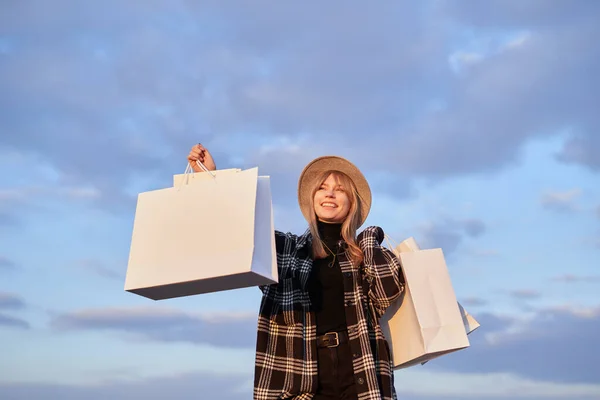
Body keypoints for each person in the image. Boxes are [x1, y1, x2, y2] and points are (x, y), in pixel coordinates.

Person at [187, 144, 405, 400]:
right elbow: (238, 233)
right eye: (322, 188)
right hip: (298, 378)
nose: (330, 194)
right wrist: (211, 179)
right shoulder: (287, 249)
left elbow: (387, 291)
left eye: (339, 190)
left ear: (352, 202)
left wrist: (368, 239)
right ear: (312, 198)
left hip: (359, 376)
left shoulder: (364, 254)